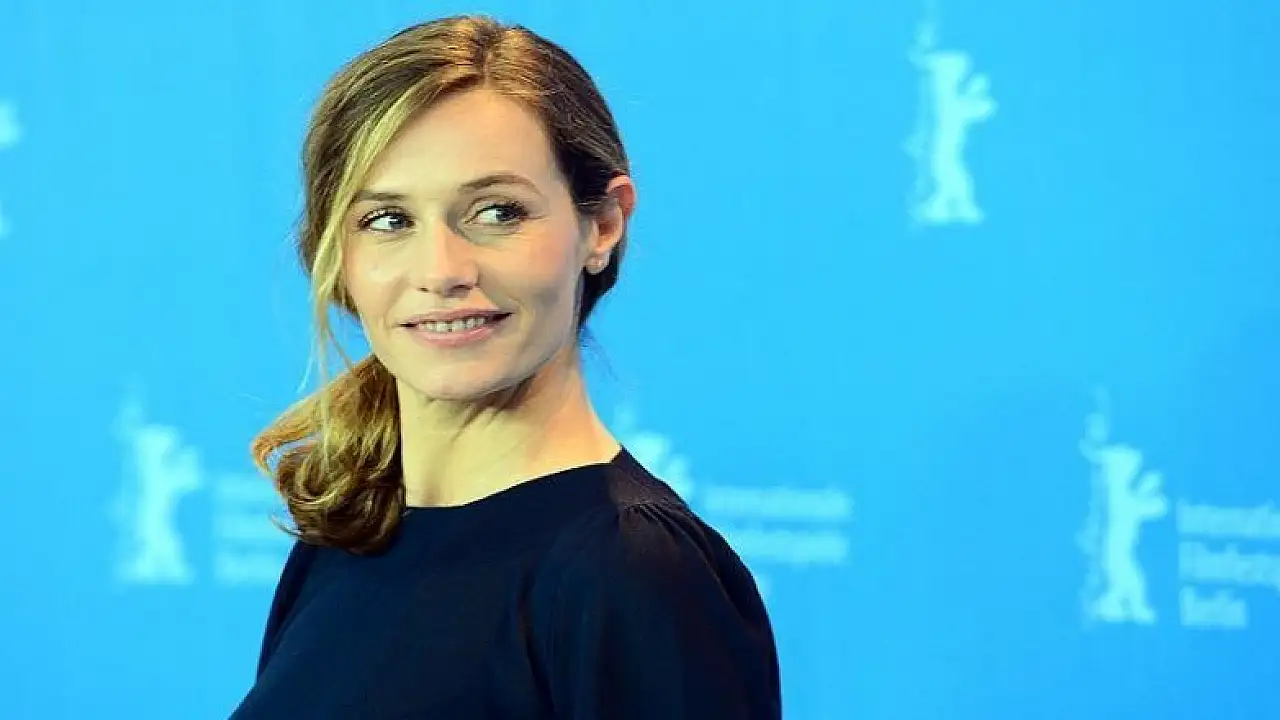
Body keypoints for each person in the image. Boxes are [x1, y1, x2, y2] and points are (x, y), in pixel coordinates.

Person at [228, 14, 781, 720]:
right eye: (389, 220)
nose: (441, 270)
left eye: (497, 212)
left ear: (603, 225)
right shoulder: (353, 534)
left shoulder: (631, 569)